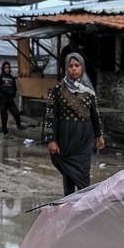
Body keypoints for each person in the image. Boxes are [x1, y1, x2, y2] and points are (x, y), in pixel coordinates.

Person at [42, 53, 105, 195]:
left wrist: (99, 135)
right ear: (66, 68)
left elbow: (95, 114)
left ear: (82, 68)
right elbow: (51, 116)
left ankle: (83, 204)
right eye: (70, 66)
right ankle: (68, 203)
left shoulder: (88, 90)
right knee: (68, 173)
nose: (74, 69)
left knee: (83, 172)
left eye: (77, 66)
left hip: (84, 137)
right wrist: (51, 140)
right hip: (66, 137)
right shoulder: (58, 89)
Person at [0, 60, 22, 135]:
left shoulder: (11, 78)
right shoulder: (0, 77)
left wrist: (12, 96)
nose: (7, 69)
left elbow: (15, 88)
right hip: (3, 100)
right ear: (3, 68)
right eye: (6, 68)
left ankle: (19, 125)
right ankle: (5, 132)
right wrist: (1, 96)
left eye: (8, 68)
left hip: (10, 100)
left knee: (16, 114)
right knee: (4, 117)